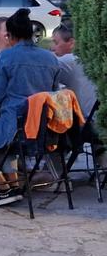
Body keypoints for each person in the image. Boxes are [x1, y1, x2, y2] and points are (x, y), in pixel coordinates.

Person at [0, 8, 61, 207]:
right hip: (42, 129)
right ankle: (12, 185)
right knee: (0, 139)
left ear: (10, 36)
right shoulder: (51, 59)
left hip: (15, 125)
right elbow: (53, 93)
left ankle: (0, 187)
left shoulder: (6, 57)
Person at [50, 23, 104, 166]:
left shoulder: (70, 60)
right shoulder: (96, 59)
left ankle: (55, 175)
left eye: (56, 42)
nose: (52, 47)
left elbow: (42, 66)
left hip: (88, 125)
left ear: (72, 43)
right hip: (101, 122)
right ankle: (102, 163)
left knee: (53, 123)